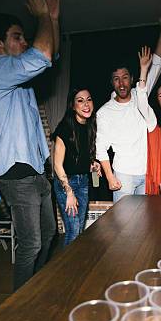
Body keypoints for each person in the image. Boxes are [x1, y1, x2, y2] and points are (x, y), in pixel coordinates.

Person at [0, 0, 59, 291]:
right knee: (30, 244)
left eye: (24, 37)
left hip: (35, 169)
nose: (23, 43)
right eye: (16, 37)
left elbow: (48, 55)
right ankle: (20, 304)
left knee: (49, 233)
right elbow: (43, 55)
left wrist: (53, 19)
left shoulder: (15, 73)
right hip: (14, 172)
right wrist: (41, 17)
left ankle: (34, 286)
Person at [96, 16, 161, 203]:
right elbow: (100, 148)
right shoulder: (104, 112)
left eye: (125, 77)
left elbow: (157, 64)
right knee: (123, 224)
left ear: (132, 78)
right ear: (111, 82)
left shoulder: (140, 94)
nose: (121, 83)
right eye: (116, 79)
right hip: (123, 175)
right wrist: (111, 177)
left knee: (144, 221)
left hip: (146, 172)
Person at [52, 88, 100, 246]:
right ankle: (66, 270)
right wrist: (69, 192)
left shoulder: (90, 126)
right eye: (80, 100)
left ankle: (73, 268)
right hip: (66, 184)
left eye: (89, 99)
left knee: (79, 230)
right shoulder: (65, 128)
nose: (86, 104)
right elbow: (57, 165)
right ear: (72, 106)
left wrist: (92, 164)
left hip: (83, 182)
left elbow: (80, 155)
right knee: (73, 231)